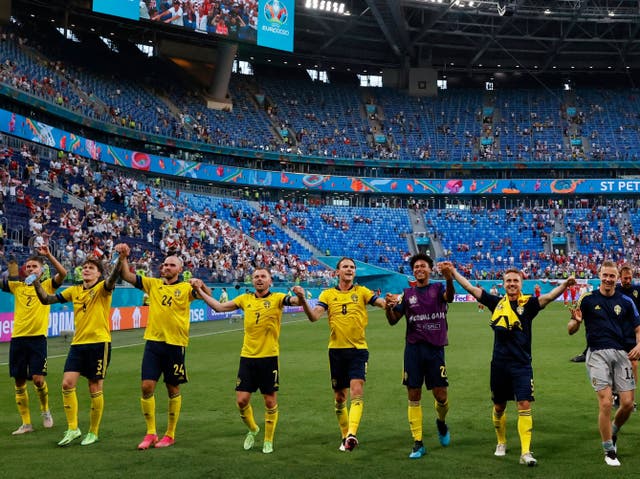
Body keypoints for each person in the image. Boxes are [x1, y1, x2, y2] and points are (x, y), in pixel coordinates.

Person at [451, 266, 575, 466]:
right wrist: (453, 273)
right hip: (499, 365)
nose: (512, 284)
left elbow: (550, 296)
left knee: (524, 404)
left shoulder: (529, 304)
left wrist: (565, 284)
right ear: (503, 284)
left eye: (515, 281)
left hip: (522, 365)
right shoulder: (496, 302)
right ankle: (501, 442)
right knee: (499, 406)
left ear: (521, 284)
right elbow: (470, 288)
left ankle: (525, 452)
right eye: (508, 281)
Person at [194, 268, 302, 454]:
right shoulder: (245, 299)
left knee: (269, 402)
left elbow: (295, 301)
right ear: (252, 281)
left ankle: (268, 440)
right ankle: (253, 429)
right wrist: (201, 292)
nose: (259, 279)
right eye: (256, 277)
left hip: (269, 358)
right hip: (247, 357)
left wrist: (300, 295)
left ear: (270, 281)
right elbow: (219, 307)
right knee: (242, 401)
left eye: (263, 277)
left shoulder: (278, 298)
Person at [115, 243, 209, 449]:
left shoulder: (185, 288)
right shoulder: (153, 284)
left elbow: (206, 294)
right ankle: (150, 433)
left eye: (171, 265)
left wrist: (200, 284)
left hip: (175, 344)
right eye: (165, 264)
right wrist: (123, 257)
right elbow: (128, 276)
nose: (166, 267)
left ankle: (170, 433)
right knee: (146, 386)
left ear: (180, 269)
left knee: (172, 387)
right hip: (153, 343)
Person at [297, 257, 386, 452]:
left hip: (358, 350)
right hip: (336, 351)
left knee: (357, 390)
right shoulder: (328, 294)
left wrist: (389, 302)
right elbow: (314, 317)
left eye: (352, 267)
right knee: (339, 398)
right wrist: (303, 300)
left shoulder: (362, 292)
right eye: (345, 266)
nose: (349, 269)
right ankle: (345, 435)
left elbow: (380, 303)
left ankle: (352, 434)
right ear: (337, 272)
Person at [33, 256, 121, 447]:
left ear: (99, 273)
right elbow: (47, 299)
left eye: (91, 268)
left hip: (99, 344)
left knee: (94, 387)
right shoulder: (74, 290)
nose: (86, 270)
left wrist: (120, 259)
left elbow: (113, 278)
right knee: (67, 384)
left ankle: (93, 431)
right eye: (84, 267)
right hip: (78, 344)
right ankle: (73, 429)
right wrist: (36, 283)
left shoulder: (103, 288)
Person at [568, 260, 640, 466]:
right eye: (605, 275)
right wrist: (576, 322)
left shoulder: (626, 301)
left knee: (627, 404)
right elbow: (570, 329)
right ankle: (609, 451)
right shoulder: (588, 299)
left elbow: (638, 328)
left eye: (612, 276)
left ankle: (613, 431)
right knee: (606, 402)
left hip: (621, 353)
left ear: (617, 278)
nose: (608, 279)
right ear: (599, 276)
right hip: (597, 353)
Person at [384, 255, 455, 459]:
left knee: (441, 396)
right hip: (413, 350)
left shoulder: (439, 289)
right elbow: (393, 320)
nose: (419, 269)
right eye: (416, 267)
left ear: (430, 270)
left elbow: (449, 298)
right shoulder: (407, 294)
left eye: (423, 265)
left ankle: (441, 423)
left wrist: (449, 278)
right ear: (413, 271)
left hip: (435, 350)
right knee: (413, 396)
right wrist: (389, 308)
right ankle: (418, 442)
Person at [2, 245, 67, 435]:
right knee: (19, 381)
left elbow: (62, 273)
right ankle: (26, 423)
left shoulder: (47, 285)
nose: (30, 269)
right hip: (18, 339)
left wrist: (48, 255)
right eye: (28, 267)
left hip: (38, 339)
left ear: (42, 270)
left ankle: (45, 411)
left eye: (34, 267)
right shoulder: (17, 287)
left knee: (38, 380)